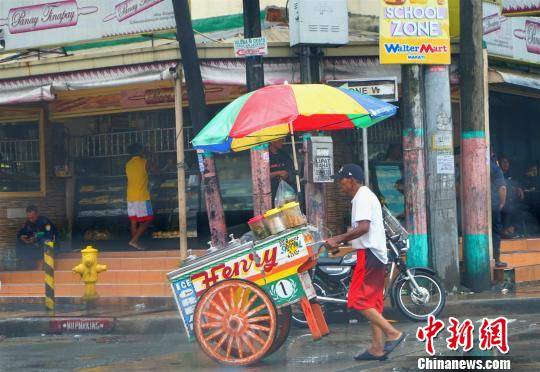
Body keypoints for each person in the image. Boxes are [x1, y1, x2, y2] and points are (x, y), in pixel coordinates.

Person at [325, 164, 405, 361]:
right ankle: (377, 348)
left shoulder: (361, 197)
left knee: (357, 300)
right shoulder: (364, 196)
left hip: (369, 255)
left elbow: (363, 228)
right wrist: (344, 242)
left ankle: (393, 333)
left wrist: (338, 239)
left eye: (341, 180)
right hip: (374, 254)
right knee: (372, 303)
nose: (339, 185)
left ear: (351, 180)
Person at [125, 143, 159, 250]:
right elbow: (157, 171)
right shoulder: (145, 162)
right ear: (140, 151)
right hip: (141, 196)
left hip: (130, 196)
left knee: (134, 220)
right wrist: (150, 156)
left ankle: (134, 243)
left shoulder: (128, 164)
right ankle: (134, 240)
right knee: (148, 219)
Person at [16, 206, 57, 270]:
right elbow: (21, 232)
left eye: (32, 217)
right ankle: (26, 266)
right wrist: (21, 237)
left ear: (37, 214)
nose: (30, 220)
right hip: (33, 243)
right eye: (29, 217)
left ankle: (42, 267)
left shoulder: (46, 222)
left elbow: (49, 234)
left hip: (46, 243)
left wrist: (36, 238)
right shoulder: (28, 223)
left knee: (45, 241)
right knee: (19, 244)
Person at [499, 156, 526, 237]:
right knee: (509, 209)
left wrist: (519, 189)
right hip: (501, 203)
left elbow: (516, 185)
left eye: (507, 162)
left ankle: (512, 229)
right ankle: (505, 231)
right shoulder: (498, 175)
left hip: (512, 202)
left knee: (524, 210)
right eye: (503, 162)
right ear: (499, 164)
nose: (506, 164)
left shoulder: (511, 175)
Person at [491, 152, 508, 268]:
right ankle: (496, 259)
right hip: (493, 204)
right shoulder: (495, 168)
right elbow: (502, 187)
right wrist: (502, 202)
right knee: (496, 231)